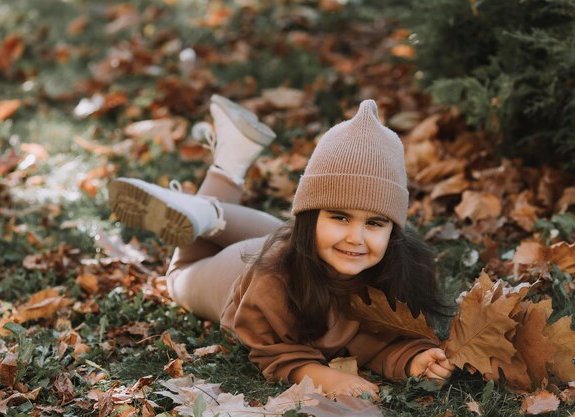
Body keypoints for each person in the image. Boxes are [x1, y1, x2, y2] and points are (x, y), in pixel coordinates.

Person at [108, 95, 455, 399]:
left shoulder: (402, 268)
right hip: (239, 272)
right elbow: (274, 352)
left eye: (375, 223)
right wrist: (323, 376)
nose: (357, 237)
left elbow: (383, 338)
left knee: (296, 240)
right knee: (178, 276)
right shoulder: (272, 279)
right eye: (340, 217)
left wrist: (413, 358)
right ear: (312, 216)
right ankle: (207, 210)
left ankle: (215, 200)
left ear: (394, 230)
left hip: (290, 244)